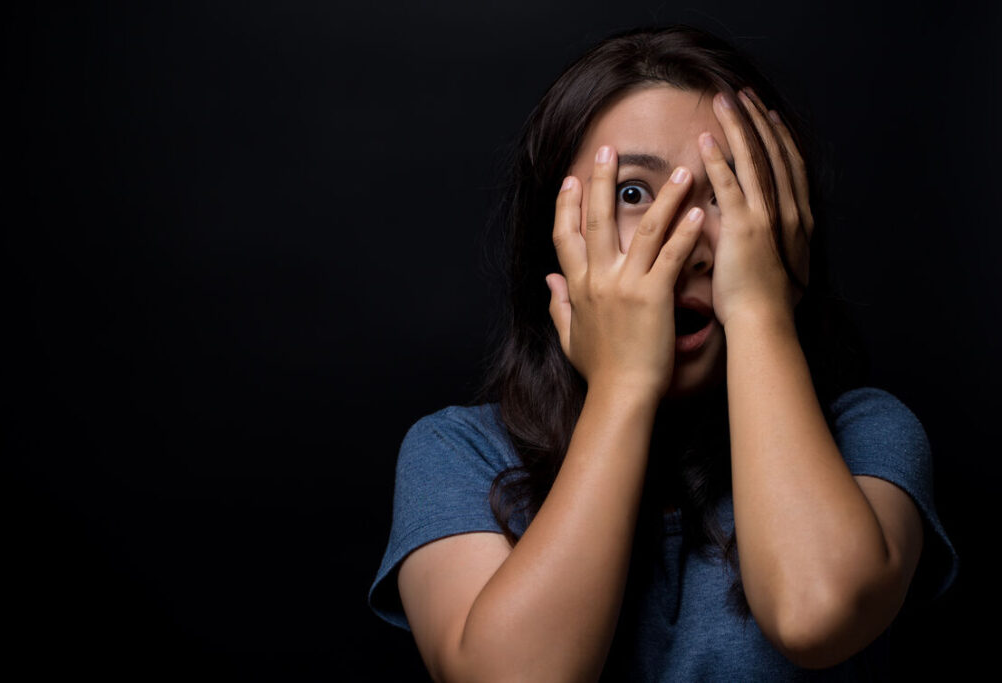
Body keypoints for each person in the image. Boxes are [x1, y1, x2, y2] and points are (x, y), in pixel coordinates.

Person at [368, 25, 958, 681]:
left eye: (729, 190)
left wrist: (760, 309)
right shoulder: (458, 453)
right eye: (632, 193)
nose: (689, 241)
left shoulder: (867, 434)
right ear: (557, 231)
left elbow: (814, 613)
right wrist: (622, 384)